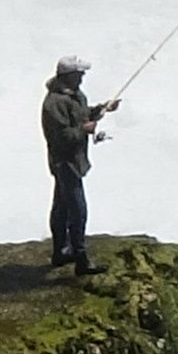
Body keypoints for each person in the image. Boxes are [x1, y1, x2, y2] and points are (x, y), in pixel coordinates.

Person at [41, 57, 118, 276]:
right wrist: (84, 130)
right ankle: (80, 259)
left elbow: (81, 117)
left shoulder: (75, 97)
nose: (83, 78)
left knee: (62, 206)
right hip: (65, 162)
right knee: (77, 209)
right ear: (68, 76)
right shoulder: (54, 103)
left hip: (74, 160)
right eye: (79, 74)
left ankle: (61, 252)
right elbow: (61, 137)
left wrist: (101, 110)